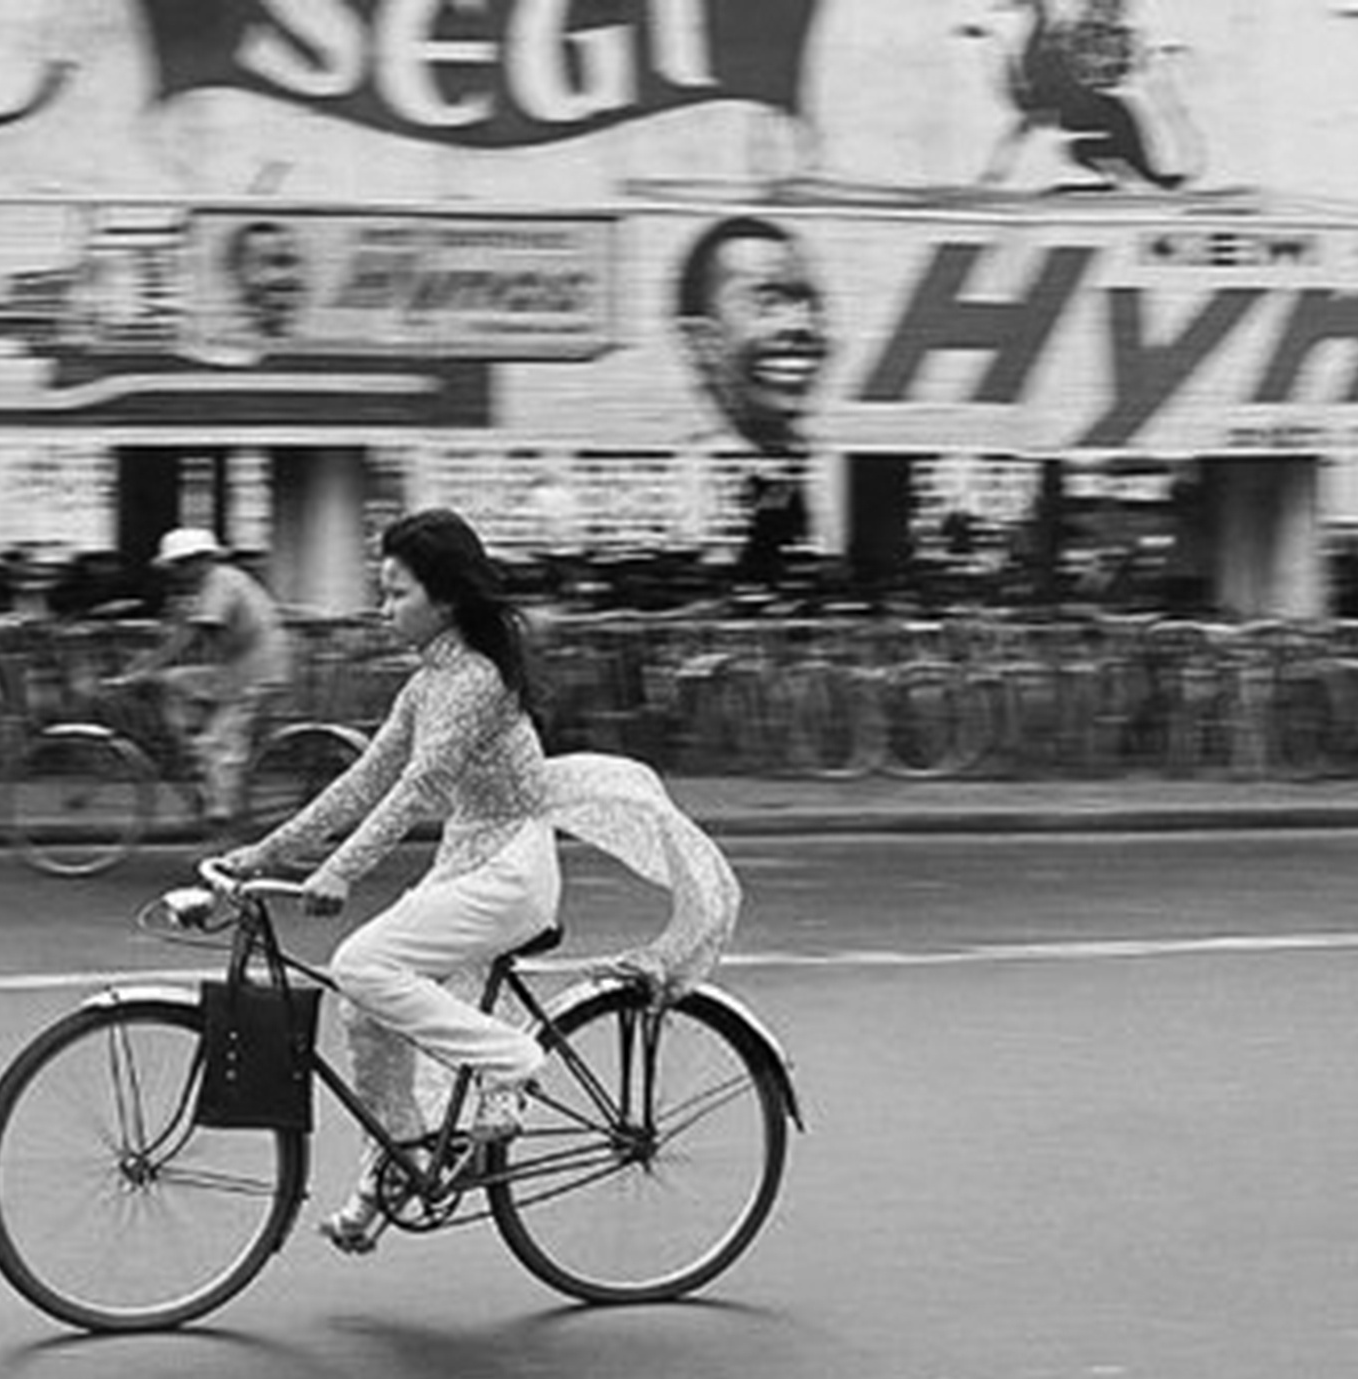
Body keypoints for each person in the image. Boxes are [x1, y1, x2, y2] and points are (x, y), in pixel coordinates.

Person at [216, 507, 744, 1255]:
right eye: (383, 591)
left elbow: (416, 789)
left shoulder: (478, 683)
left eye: (397, 593)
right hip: (469, 863)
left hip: (508, 873)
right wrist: (261, 855)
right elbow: (363, 781)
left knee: (360, 964)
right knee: (367, 1012)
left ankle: (513, 1061)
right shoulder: (426, 684)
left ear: (448, 600)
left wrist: (337, 872)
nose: (382, 607)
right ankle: (392, 1173)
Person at [118, 526, 292, 837]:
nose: (176, 573)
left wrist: (145, 667)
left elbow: (194, 634)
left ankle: (221, 821)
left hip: (255, 672)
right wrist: (150, 667)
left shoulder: (221, 583)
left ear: (197, 560)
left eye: (180, 565)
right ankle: (191, 747)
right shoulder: (213, 584)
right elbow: (183, 632)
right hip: (235, 670)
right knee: (170, 683)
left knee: (218, 746)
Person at [672, 213, 830, 457]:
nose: (803, 325)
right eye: (769, 302)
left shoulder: (844, 473)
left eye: (811, 305)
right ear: (701, 340)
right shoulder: (681, 475)